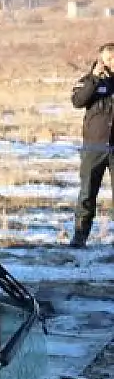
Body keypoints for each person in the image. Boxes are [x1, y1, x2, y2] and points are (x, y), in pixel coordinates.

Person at [71, 42, 114, 247]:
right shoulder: (88, 81)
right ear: (101, 60)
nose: (112, 62)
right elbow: (78, 101)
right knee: (87, 193)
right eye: (109, 58)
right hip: (94, 148)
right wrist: (95, 79)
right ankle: (80, 237)